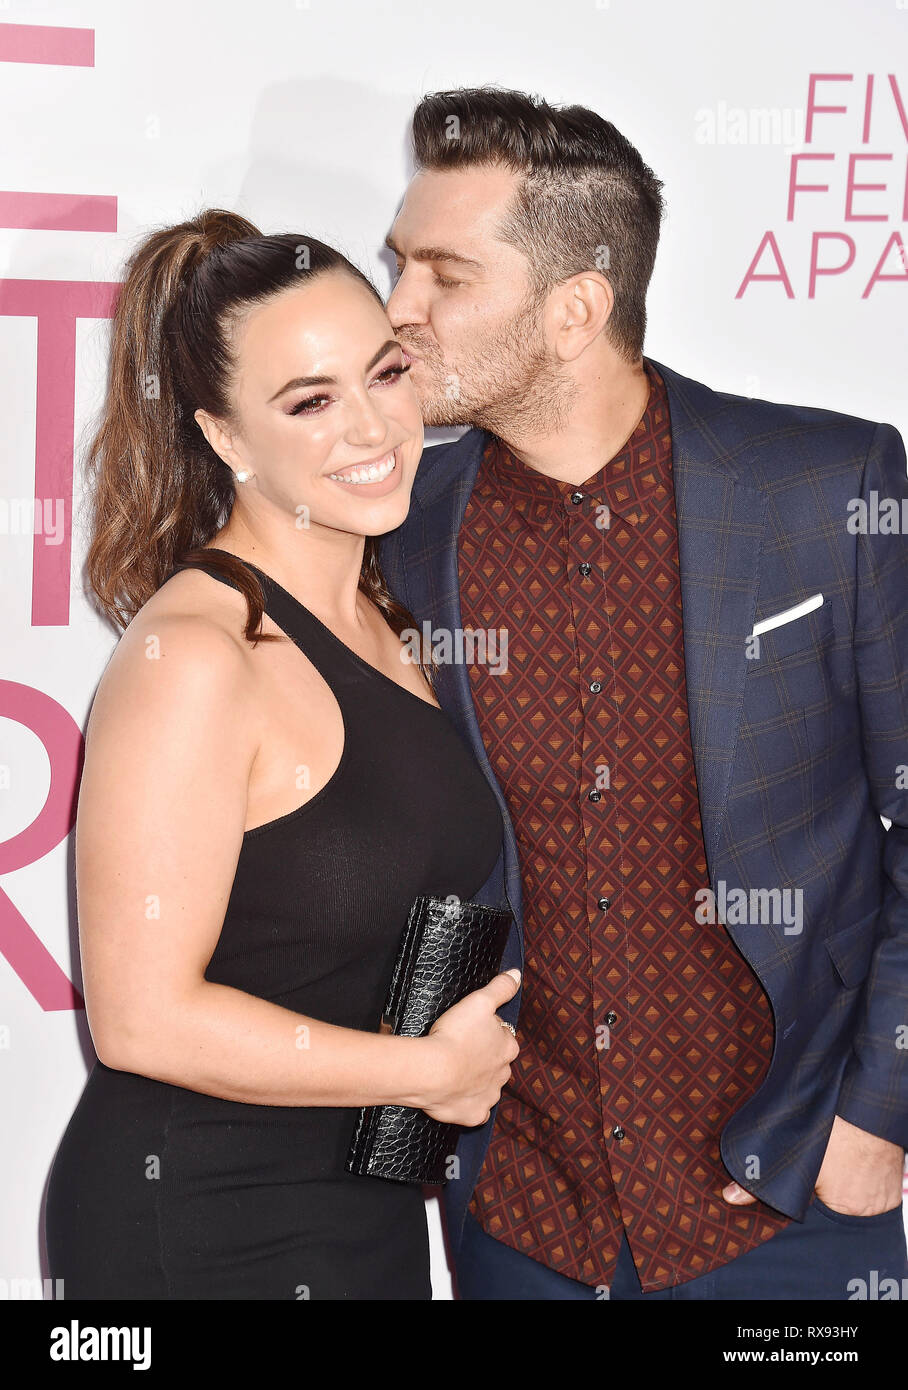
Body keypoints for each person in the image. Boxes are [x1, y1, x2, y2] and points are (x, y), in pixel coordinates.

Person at [378, 86, 908, 1300]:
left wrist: (879, 1116)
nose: (396, 311)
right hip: (520, 1218)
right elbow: (412, 860)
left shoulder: (826, 485)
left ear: (573, 310)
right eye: (396, 264)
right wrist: (418, 1144)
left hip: (790, 1214)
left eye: (443, 277)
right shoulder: (401, 528)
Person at [43, 208, 520, 1300]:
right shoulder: (197, 654)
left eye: (384, 374)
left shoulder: (393, 619)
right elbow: (138, 1016)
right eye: (310, 401)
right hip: (202, 1222)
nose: (372, 428)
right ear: (221, 436)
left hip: (366, 1210)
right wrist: (423, 1073)